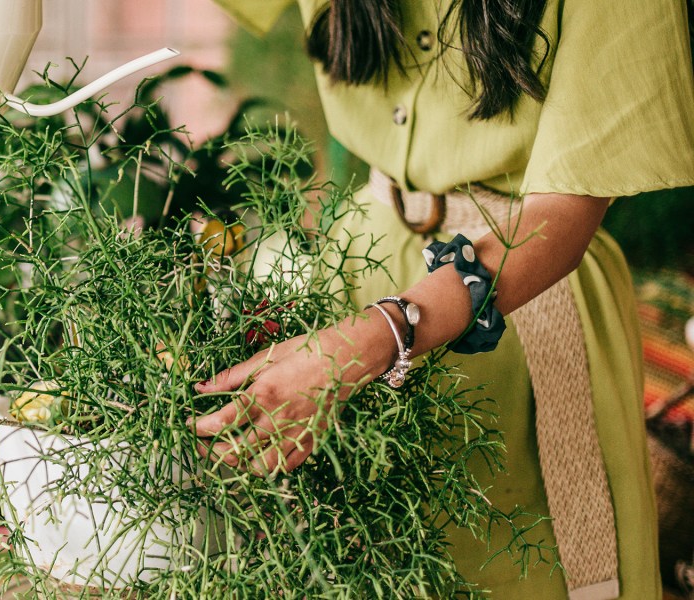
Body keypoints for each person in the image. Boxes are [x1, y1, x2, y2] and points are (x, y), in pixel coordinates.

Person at [198, 0, 694, 598]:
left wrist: (371, 339)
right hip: (357, 271)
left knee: (516, 564)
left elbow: (565, 210)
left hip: (525, 292)